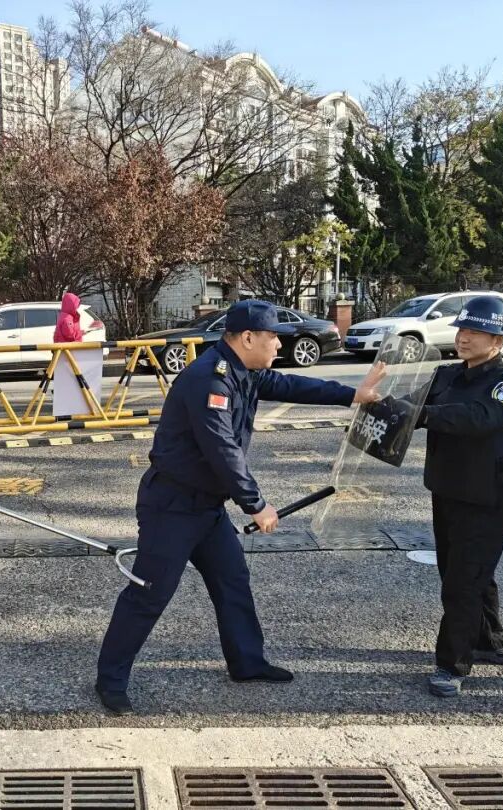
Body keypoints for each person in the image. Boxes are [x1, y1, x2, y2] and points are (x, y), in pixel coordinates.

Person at [94, 299, 386, 715]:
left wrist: (353, 395)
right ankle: (110, 680)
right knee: (149, 593)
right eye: (273, 338)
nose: (279, 346)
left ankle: (247, 663)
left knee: (232, 580)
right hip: (172, 507)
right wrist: (256, 505)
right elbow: (222, 449)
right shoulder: (209, 380)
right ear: (248, 338)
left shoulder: (242, 370)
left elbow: (289, 386)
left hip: (207, 507)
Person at [415, 295, 503, 698]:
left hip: (488, 497)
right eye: (462, 330)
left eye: (475, 332)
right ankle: (491, 642)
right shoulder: (447, 375)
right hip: (449, 488)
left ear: (498, 340)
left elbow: (476, 419)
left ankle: (453, 664)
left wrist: (425, 415)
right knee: (463, 572)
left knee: (463, 581)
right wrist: (384, 412)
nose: (463, 338)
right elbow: (415, 406)